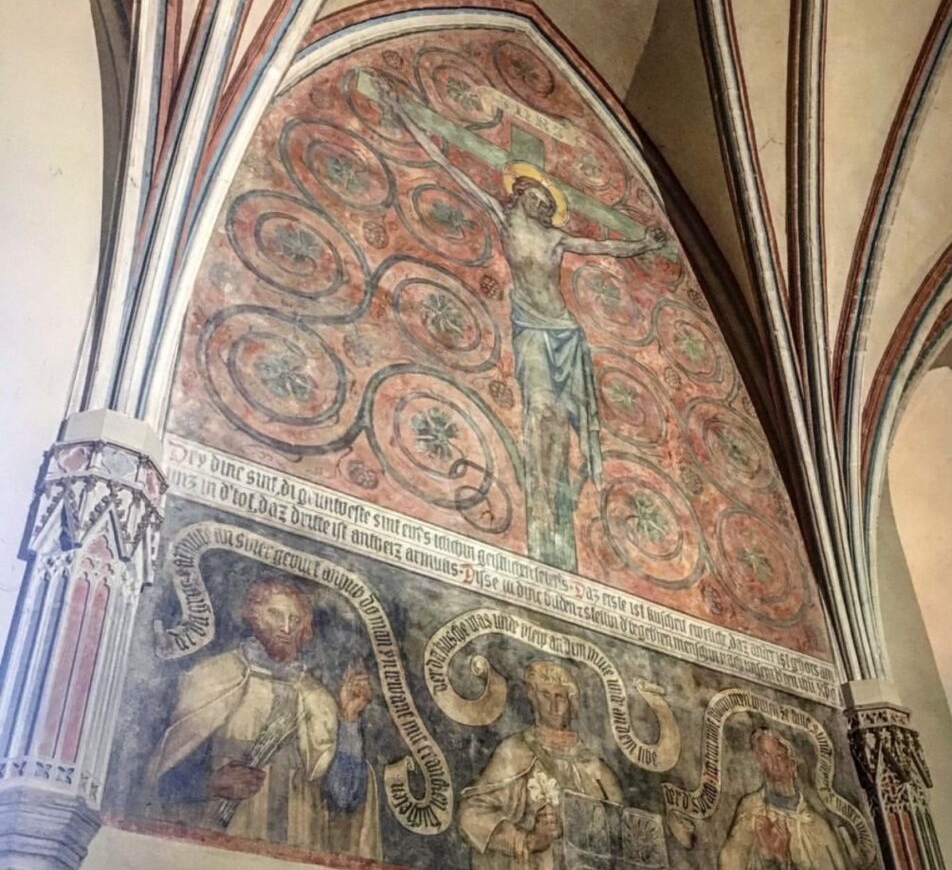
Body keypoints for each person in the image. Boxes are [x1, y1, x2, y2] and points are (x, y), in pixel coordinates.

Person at [383, 80, 667, 570]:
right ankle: (545, 521)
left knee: (562, 415)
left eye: (542, 199)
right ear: (516, 195)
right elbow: (452, 166)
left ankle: (560, 510)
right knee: (539, 408)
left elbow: (602, 247)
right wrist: (404, 113)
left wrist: (640, 246)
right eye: (530, 195)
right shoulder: (505, 218)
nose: (536, 203)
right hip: (531, 326)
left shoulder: (556, 236)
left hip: (565, 330)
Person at [147, 577, 381, 858]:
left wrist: (349, 721)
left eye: (295, 619)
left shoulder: (318, 699)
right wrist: (209, 783)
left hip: (296, 852)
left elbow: (343, 798)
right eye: (275, 614)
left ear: (305, 629)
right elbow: (160, 777)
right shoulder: (213, 676)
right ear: (253, 615)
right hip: (215, 852)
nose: (286, 628)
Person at [458, 660, 622, 869]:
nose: (553, 706)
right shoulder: (515, 750)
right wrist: (528, 840)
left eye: (560, 696)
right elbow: (471, 815)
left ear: (571, 703)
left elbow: (620, 834)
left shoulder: (598, 770)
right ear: (533, 698)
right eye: (546, 695)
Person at [719, 728, 851, 870]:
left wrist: (782, 858)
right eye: (766, 756)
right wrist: (768, 858)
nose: (773, 765)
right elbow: (732, 858)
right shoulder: (751, 809)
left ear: (792, 763)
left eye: (779, 757)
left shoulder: (817, 825)